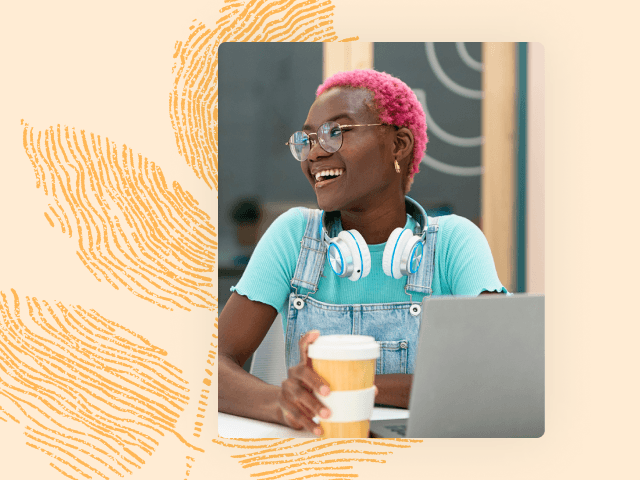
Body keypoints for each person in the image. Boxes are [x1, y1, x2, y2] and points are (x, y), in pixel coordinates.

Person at [218, 69, 506, 436]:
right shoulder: (294, 236)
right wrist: (281, 402)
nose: (315, 153)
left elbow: (499, 371)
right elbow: (215, 364)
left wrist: (342, 386)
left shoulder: (454, 242)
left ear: (398, 145)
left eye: (336, 132)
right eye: (307, 141)